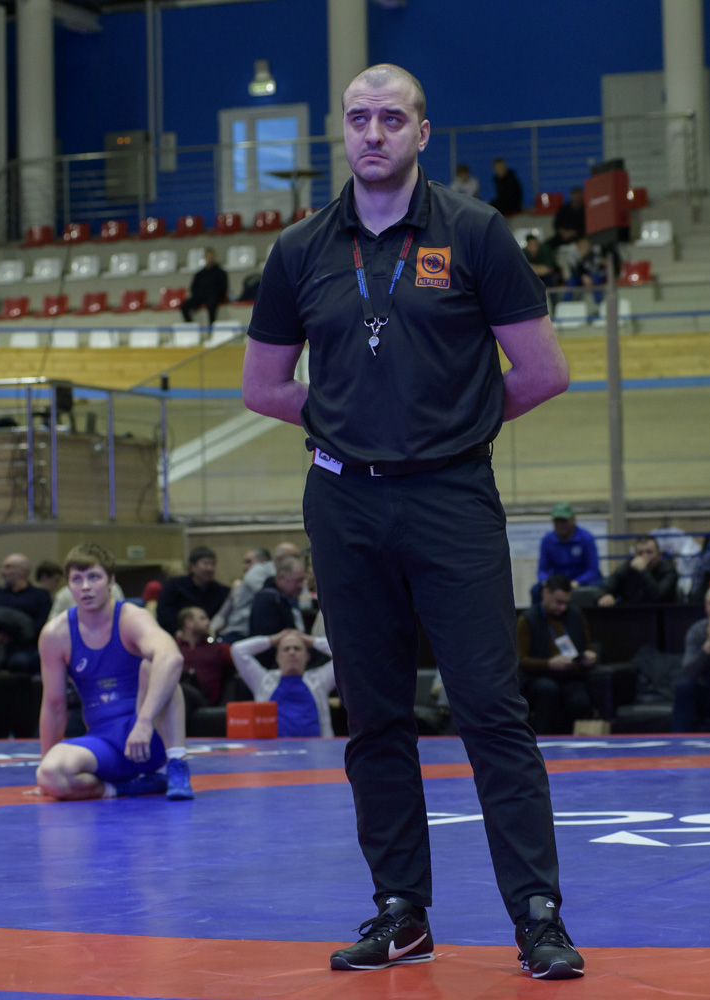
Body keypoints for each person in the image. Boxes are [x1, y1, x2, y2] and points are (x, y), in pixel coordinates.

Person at [242, 63, 583, 980]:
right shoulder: (300, 248)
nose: (373, 133)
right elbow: (263, 386)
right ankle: (401, 912)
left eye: (391, 118)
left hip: (450, 498)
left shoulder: (474, 232)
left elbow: (544, 371)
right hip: (343, 502)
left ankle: (538, 916)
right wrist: (348, 422)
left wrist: (452, 426)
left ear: (422, 133)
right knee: (375, 716)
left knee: (490, 711)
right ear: (341, 131)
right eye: (358, 117)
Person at [34, 543, 194, 801]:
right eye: (77, 579)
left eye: (94, 577)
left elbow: (172, 658)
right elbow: (54, 705)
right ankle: (126, 788)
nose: (85, 587)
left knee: (157, 664)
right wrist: (46, 766)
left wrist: (144, 722)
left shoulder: (131, 618)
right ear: (68, 586)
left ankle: (177, 764)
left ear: (111, 581)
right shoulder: (56, 634)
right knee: (50, 774)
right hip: (105, 743)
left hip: (150, 735)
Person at [517, 574, 597, 734]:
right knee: (548, 690)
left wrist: (590, 657)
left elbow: (588, 647)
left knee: (580, 699)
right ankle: (543, 737)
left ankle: (576, 740)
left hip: (571, 676)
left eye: (566, 603)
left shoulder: (575, 616)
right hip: (539, 677)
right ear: (545, 593)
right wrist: (548, 664)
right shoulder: (527, 620)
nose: (563, 608)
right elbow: (520, 660)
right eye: (558, 602)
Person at [230, 628, 336, 736]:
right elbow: (238, 650)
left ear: (307, 656)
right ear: (277, 657)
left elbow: (342, 654)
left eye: (297, 648)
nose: (292, 652)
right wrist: (272, 640)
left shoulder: (319, 680)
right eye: (286, 649)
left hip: (317, 745)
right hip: (273, 746)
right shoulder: (263, 680)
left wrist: (311, 641)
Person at [0, 553, 52, 673]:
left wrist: (13, 637)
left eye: (8, 567)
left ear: (23, 571)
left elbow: (42, 623)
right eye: (2, 568)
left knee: (20, 661)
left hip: (24, 644)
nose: (3, 572)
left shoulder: (40, 595)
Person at [533, 502, 602, 603]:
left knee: (598, 591)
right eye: (557, 521)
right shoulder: (547, 541)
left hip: (584, 581)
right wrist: (546, 582)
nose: (560, 525)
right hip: (558, 583)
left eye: (564, 521)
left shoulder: (586, 539)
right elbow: (542, 570)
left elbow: (592, 570)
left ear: (573, 519)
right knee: (536, 590)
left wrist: (577, 582)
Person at [156, 546, 230, 636]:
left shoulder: (221, 591)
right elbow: (164, 612)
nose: (210, 568)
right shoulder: (174, 586)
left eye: (213, 564)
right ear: (192, 566)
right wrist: (177, 632)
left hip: (208, 636)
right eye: (206, 563)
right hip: (177, 635)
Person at [176, 605, 233, 706]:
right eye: (202, 618)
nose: (208, 622)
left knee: (181, 691)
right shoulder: (175, 648)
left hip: (203, 700)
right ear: (188, 623)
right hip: (179, 696)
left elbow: (239, 657)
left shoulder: (218, 648)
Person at [597, 535, 678, 606]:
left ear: (658, 554)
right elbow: (604, 589)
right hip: (631, 614)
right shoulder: (627, 568)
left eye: (649, 552)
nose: (644, 556)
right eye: (640, 553)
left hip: (661, 615)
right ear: (635, 555)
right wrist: (605, 596)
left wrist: (643, 571)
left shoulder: (668, 571)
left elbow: (658, 598)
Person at [672, 587, 710, 732]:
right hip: (704, 691)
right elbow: (688, 672)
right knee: (684, 686)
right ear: (705, 606)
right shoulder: (697, 631)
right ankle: (677, 741)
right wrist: (706, 649)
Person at [248, 555, 307, 638]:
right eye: (297, 581)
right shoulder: (267, 600)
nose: (301, 585)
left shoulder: (286, 597)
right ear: (280, 578)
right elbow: (266, 638)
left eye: (302, 580)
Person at [180, 248, 228, 327]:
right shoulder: (200, 274)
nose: (210, 259)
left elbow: (223, 287)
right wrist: (198, 295)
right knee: (184, 306)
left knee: (211, 304)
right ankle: (191, 327)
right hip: (201, 296)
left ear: (214, 257)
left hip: (214, 296)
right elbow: (193, 287)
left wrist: (214, 294)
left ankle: (211, 328)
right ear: (205, 258)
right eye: (208, 257)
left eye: (211, 256)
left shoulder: (220, 273)